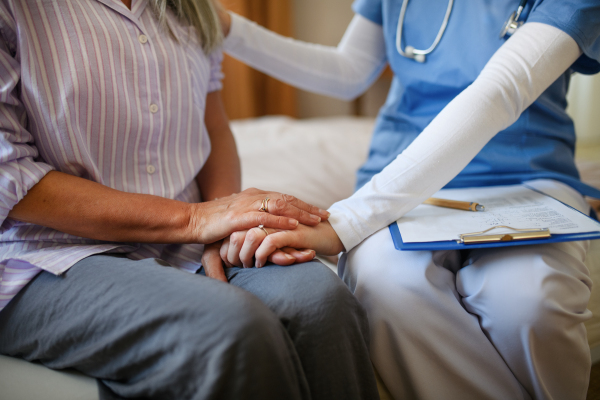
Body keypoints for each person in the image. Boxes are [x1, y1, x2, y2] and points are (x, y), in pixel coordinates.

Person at [218, 1, 600, 399]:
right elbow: (349, 70)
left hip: (526, 179)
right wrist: (228, 28)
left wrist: (345, 222)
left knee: (530, 302)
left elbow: (502, 89)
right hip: (402, 186)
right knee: (385, 282)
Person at [0, 1, 380, 399]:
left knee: (322, 305)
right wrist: (195, 219)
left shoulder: (191, 8)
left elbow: (212, 124)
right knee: (232, 330)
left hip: (185, 242)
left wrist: (224, 222)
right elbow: (11, 174)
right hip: (47, 253)